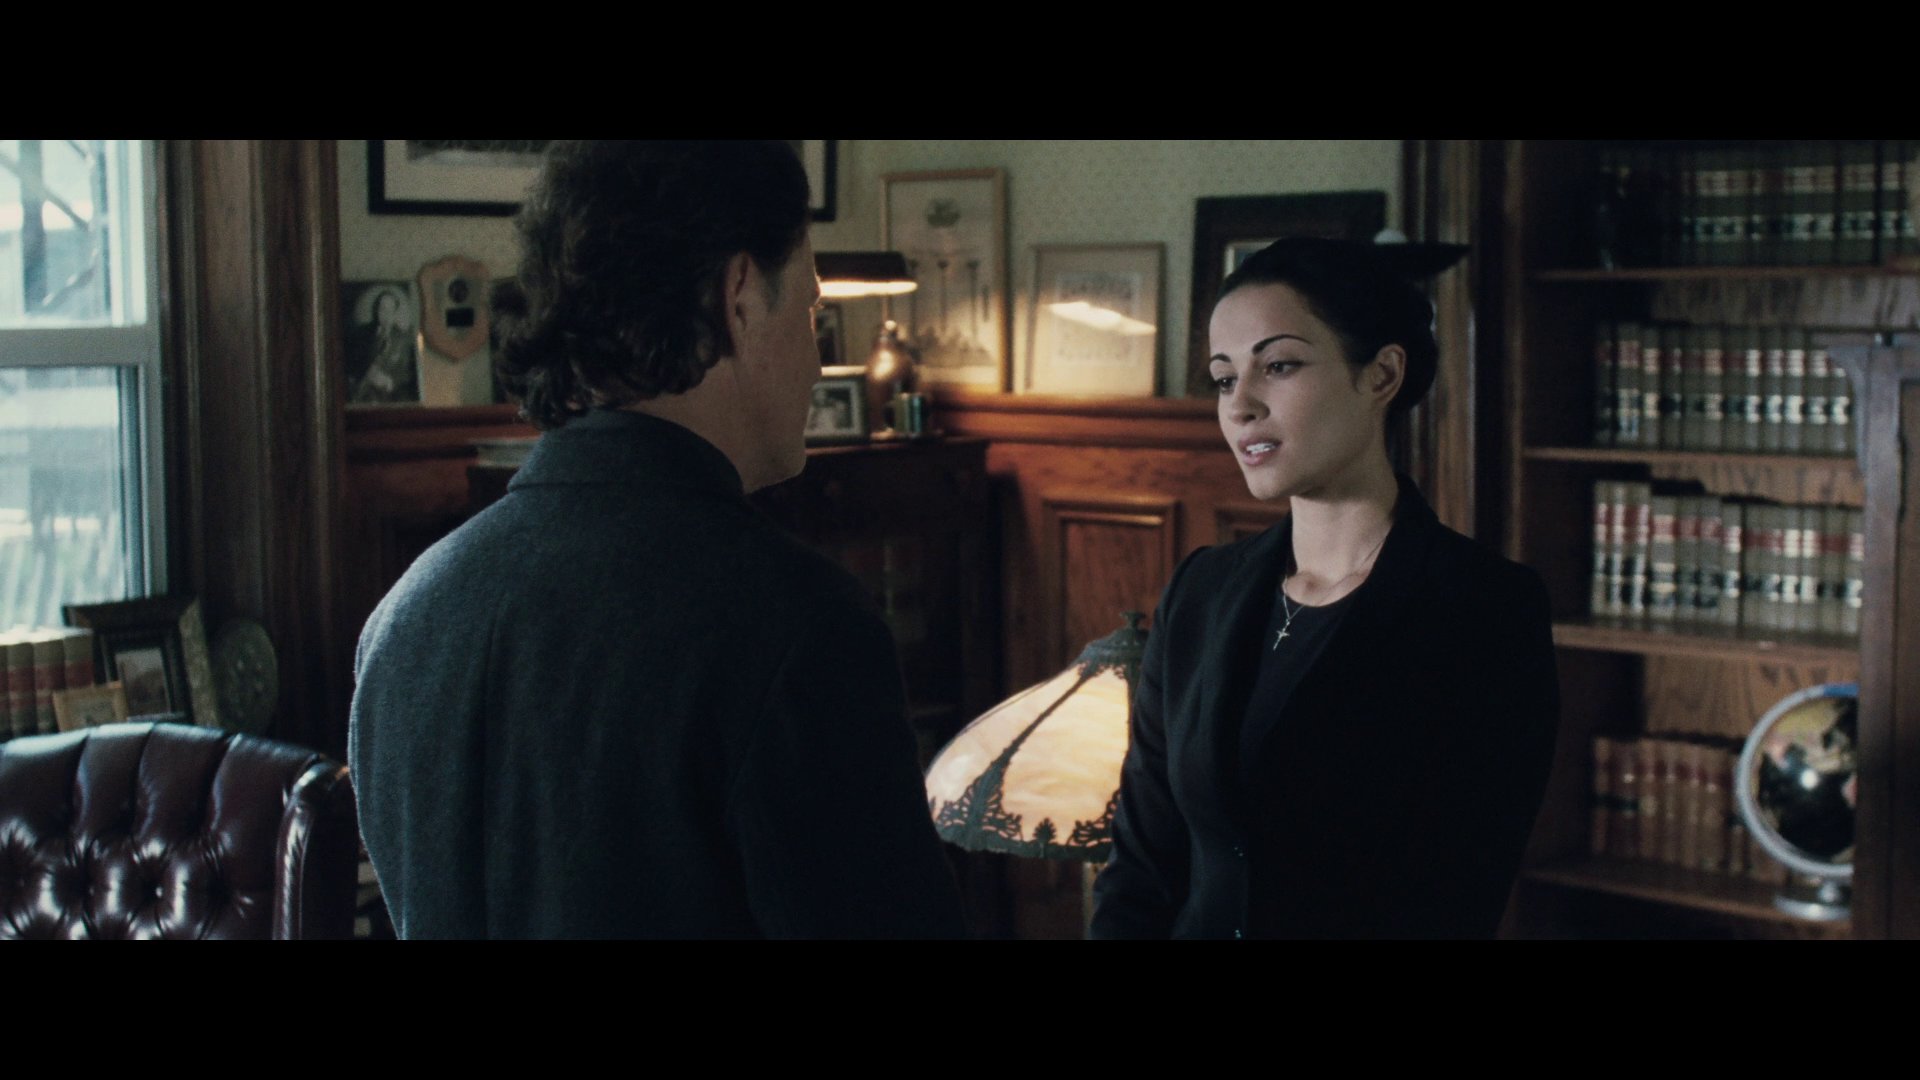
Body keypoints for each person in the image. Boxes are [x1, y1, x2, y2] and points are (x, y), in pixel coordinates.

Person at [349, 141, 967, 939]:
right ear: (739, 297)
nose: (818, 367)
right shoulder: (798, 627)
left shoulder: (405, 618)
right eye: (811, 314)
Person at [1090, 237, 1560, 939]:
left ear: (1382, 375)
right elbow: (1141, 866)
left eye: (1278, 366)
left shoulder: (1484, 610)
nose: (1240, 405)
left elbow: (1452, 901)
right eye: (1224, 378)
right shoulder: (1200, 591)